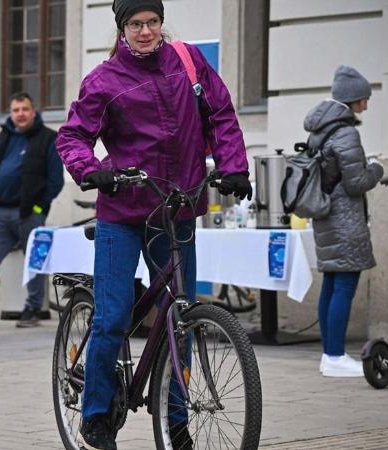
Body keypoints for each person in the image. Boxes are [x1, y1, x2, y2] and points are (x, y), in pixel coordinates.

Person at [55, 1, 251, 448]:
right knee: (113, 316)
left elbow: (219, 113)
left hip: (177, 208)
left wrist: (233, 166)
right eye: (136, 24)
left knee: (180, 315)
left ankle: (176, 419)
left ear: (161, 23)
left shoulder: (187, 60)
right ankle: (97, 413)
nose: (146, 31)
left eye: (152, 22)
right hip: (123, 212)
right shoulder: (104, 80)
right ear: (122, 29)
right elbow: (73, 137)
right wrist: (91, 170)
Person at [303, 65, 384, 378]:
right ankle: (335, 356)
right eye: (363, 98)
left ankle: (329, 355)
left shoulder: (320, 129)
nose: (366, 104)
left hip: (325, 216)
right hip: (344, 219)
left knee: (332, 283)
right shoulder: (346, 132)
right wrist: (375, 168)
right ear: (352, 100)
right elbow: (356, 183)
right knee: (344, 285)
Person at [0, 92, 64, 328]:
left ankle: (32, 309)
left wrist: (38, 207)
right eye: (15, 110)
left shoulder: (48, 138)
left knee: (35, 261)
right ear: (11, 114)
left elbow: (55, 181)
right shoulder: (5, 135)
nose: (20, 114)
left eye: (24, 109)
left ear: (34, 112)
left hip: (29, 214)